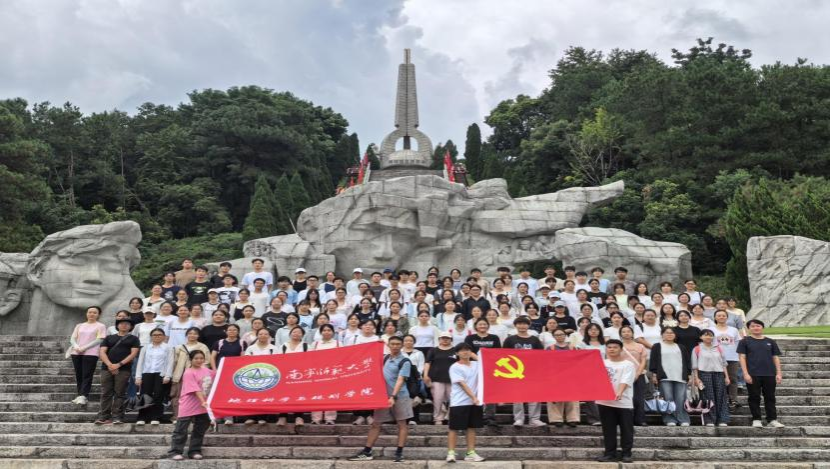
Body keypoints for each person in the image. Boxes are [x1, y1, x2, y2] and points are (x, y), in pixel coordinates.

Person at [349, 336, 412, 462]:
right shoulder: (385, 358)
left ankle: (399, 453)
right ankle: (367, 451)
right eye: (392, 344)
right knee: (376, 423)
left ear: (402, 345)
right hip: (382, 397)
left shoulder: (405, 361)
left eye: (398, 344)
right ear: (388, 345)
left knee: (402, 424)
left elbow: (400, 380)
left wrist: (393, 396)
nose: (395, 346)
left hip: (400, 396)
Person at [167, 350, 214, 461]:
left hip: (203, 405)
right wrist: (203, 401)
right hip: (189, 404)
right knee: (181, 429)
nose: (199, 360)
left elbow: (220, 376)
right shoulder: (188, 372)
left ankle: (194, 451)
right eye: (196, 358)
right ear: (191, 359)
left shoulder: (207, 371)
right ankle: (175, 451)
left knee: (200, 429)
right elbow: (196, 389)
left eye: (201, 358)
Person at [443, 342, 486, 463]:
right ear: (457, 353)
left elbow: (486, 363)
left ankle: (470, 453)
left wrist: (474, 355)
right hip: (459, 402)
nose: (465, 352)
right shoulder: (455, 367)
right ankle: (451, 453)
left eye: (467, 350)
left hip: (474, 402)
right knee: (454, 428)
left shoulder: (476, 365)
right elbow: (462, 384)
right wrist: (473, 397)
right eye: (462, 350)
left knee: (471, 428)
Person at [737, 319, 784, 428]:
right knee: (754, 397)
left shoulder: (770, 341)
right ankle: (756, 419)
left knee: (770, 397)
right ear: (749, 328)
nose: (755, 328)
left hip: (769, 374)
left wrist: (778, 373)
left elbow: (775, 357)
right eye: (753, 326)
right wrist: (745, 373)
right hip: (753, 374)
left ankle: (772, 419)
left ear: (762, 327)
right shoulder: (744, 341)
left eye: (758, 326)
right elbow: (742, 358)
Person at [595, 339, 636, 463]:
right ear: (606, 349)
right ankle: (609, 454)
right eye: (609, 347)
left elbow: (626, 380)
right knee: (608, 430)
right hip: (604, 401)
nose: (612, 349)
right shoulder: (601, 363)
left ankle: (626, 454)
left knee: (626, 430)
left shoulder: (628, 364)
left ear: (621, 349)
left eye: (615, 347)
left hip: (623, 402)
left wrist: (619, 392)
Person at [95, 317, 140, 424]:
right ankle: (103, 416)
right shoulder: (109, 338)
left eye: (127, 324)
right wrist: (110, 365)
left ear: (130, 327)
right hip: (106, 368)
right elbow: (102, 352)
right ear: (117, 325)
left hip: (124, 369)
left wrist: (118, 365)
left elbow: (133, 354)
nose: (124, 325)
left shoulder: (134, 339)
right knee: (106, 392)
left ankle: (117, 416)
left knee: (120, 393)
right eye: (121, 323)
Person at [503, 316, 545, 427]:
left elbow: (541, 356)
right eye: (519, 324)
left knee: (534, 396)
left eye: (524, 324)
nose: (522, 326)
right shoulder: (510, 340)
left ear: (528, 325)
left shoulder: (535, 340)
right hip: (515, 372)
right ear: (515, 325)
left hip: (532, 372)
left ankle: (534, 419)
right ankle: (519, 419)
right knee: (518, 396)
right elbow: (504, 356)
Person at [649, 327, 691, 427]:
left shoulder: (681, 347)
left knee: (681, 399)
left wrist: (689, 375)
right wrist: (654, 374)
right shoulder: (657, 346)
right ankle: (669, 419)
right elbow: (653, 361)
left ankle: (682, 419)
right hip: (664, 377)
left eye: (672, 333)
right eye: (667, 333)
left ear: (675, 335)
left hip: (680, 376)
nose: (669, 334)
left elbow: (687, 361)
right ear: (662, 335)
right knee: (668, 398)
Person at [135, 328, 175, 425]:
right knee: (145, 395)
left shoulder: (168, 348)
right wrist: (138, 376)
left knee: (158, 395)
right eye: (155, 335)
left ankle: (156, 417)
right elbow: (140, 362)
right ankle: (142, 417)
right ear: (151, 336)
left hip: (161, 374)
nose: (157, 336)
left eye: (159, 335)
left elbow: (170, 362)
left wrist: (168, 375)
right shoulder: (145, 348)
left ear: (164, 336)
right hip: (147, 372)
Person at [69, 306, 107, 406]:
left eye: (94, 312)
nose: (91, 314)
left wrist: (84, 347)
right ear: (86, 313)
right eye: (90, 312)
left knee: (87, 374)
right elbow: (72, 338)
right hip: (76, 352)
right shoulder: (79, 325)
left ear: (98, 315)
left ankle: (84, 395)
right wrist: (76, 346)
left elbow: (100, 339)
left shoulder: (100, 326)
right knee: (79, 374)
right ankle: (79, 395)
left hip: (91, 353)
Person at [692, 329, 730, 427]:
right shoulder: (697, 349)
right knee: (708, 397)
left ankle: (722, 419)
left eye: (710, 335)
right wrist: (696, 378)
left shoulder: (719, 348)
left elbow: (724, 364)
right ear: (701, 337)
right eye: (705, 335)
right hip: (704, 374)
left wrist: (726, 377)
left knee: (721, 397)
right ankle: (709, 420)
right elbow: (694, 366)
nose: (708, 337)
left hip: (719, 374)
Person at [170, 327, 210, 422]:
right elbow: (174, 362)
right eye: (190, 333)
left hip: (197, 376)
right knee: (177, 396)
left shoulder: (203, 347)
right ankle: (177, 416)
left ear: (198, 336)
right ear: (186, 335)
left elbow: (206, 361)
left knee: (196, 396)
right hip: (180, 375)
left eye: (195, 333)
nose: (192, 335)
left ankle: (194, 417)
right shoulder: (179, 347)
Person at [211, 324, 246, 425]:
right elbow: (212, 357)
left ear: (238, 332)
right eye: (229, 330)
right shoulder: (219, 342)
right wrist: (214, 370)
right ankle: (218, 416)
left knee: (231, 395)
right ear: (226, 331)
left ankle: (229, 417)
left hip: (235, 373)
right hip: (220, 372)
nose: (232, 332)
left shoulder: (242, 342)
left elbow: (243, 358)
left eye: (234, 330)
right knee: (219, 395)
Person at [547, 328, 580, 427]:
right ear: (553, 336)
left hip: (571, 375)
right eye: (557, 335)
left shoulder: (573, 348)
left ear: (565, 335)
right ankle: (556, 419)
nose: (559, 336)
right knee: (555, 397)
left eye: (561, 334)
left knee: (573, 397)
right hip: (555, 376)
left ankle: (573, 418)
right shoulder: (550, 348)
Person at [424, 332, 457, 425]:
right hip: (436, 378)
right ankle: (438, 418)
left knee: (453, 399)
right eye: (443, 338)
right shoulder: (433, 350)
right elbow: (427, 363)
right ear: (439, 339)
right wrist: (425, 375)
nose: (445, 339)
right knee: (438, 399)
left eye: (447, 338)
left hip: (452, 379)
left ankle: (450, 417)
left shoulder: (456, 350)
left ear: (451, 339)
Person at [711, 310, 742, 409]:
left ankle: (733, 399)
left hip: (732, 357)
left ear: (727, 317)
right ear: (715, 317)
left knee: (733, 379)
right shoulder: (710, 329)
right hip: (715, 357)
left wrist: (739, 356)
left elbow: (738, 344)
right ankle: (721, 400)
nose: (721, 317)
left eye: (723, 315)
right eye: (719, 315)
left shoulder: (734, 330)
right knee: (718, 379)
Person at [619, 325, 648, 426]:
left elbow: (643, 361)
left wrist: (637, 373)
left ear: (632, 333)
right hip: (622, 375)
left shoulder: (640, 346)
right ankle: (626, 420)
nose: (626, 333)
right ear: (620, 334)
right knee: (624, 398)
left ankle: (640, 419)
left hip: (638, 374)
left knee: (638, 398)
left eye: (628, 331)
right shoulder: (618, 346)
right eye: (623, 331)